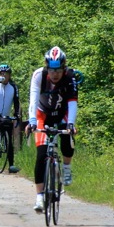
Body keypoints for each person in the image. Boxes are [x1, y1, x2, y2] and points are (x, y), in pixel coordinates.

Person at [26, 46, 78, 212]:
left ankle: (67, 168)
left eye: (58, 70)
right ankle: (40, 197)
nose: (55, 74)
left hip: (62, 114)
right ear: (47, 67)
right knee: (41, 154)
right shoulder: (39, 75)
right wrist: (32, 121)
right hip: (42, 114)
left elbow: (72, 102)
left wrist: (70, 123)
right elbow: (33, 100)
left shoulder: (70, 77)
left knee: (67, 140)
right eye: (51, 70)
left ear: (64, 68)